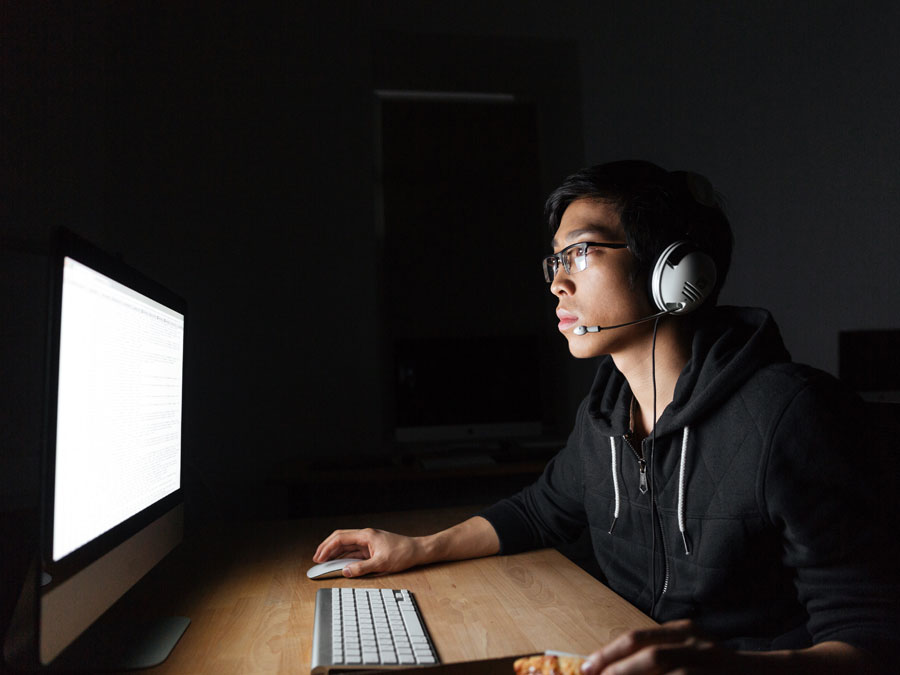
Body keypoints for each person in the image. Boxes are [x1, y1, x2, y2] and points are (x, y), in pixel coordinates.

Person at [314, 161, 897, 673]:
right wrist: (418, 548)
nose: (557, 282)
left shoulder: (790, 414)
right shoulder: (605, 415)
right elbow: (540, 510)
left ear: (675, 273)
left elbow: (872, 643)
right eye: (555, 260)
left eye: (582, 252)